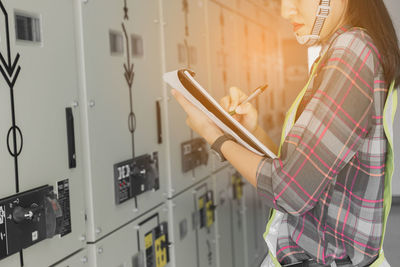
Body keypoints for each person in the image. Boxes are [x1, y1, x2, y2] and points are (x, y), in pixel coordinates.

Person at [171, 0, 400, 266]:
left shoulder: (351, 51)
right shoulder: (349, 50)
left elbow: (290, 191)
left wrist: (215, 136)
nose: (284, 10)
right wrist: (250, 130)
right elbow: (301, 171)